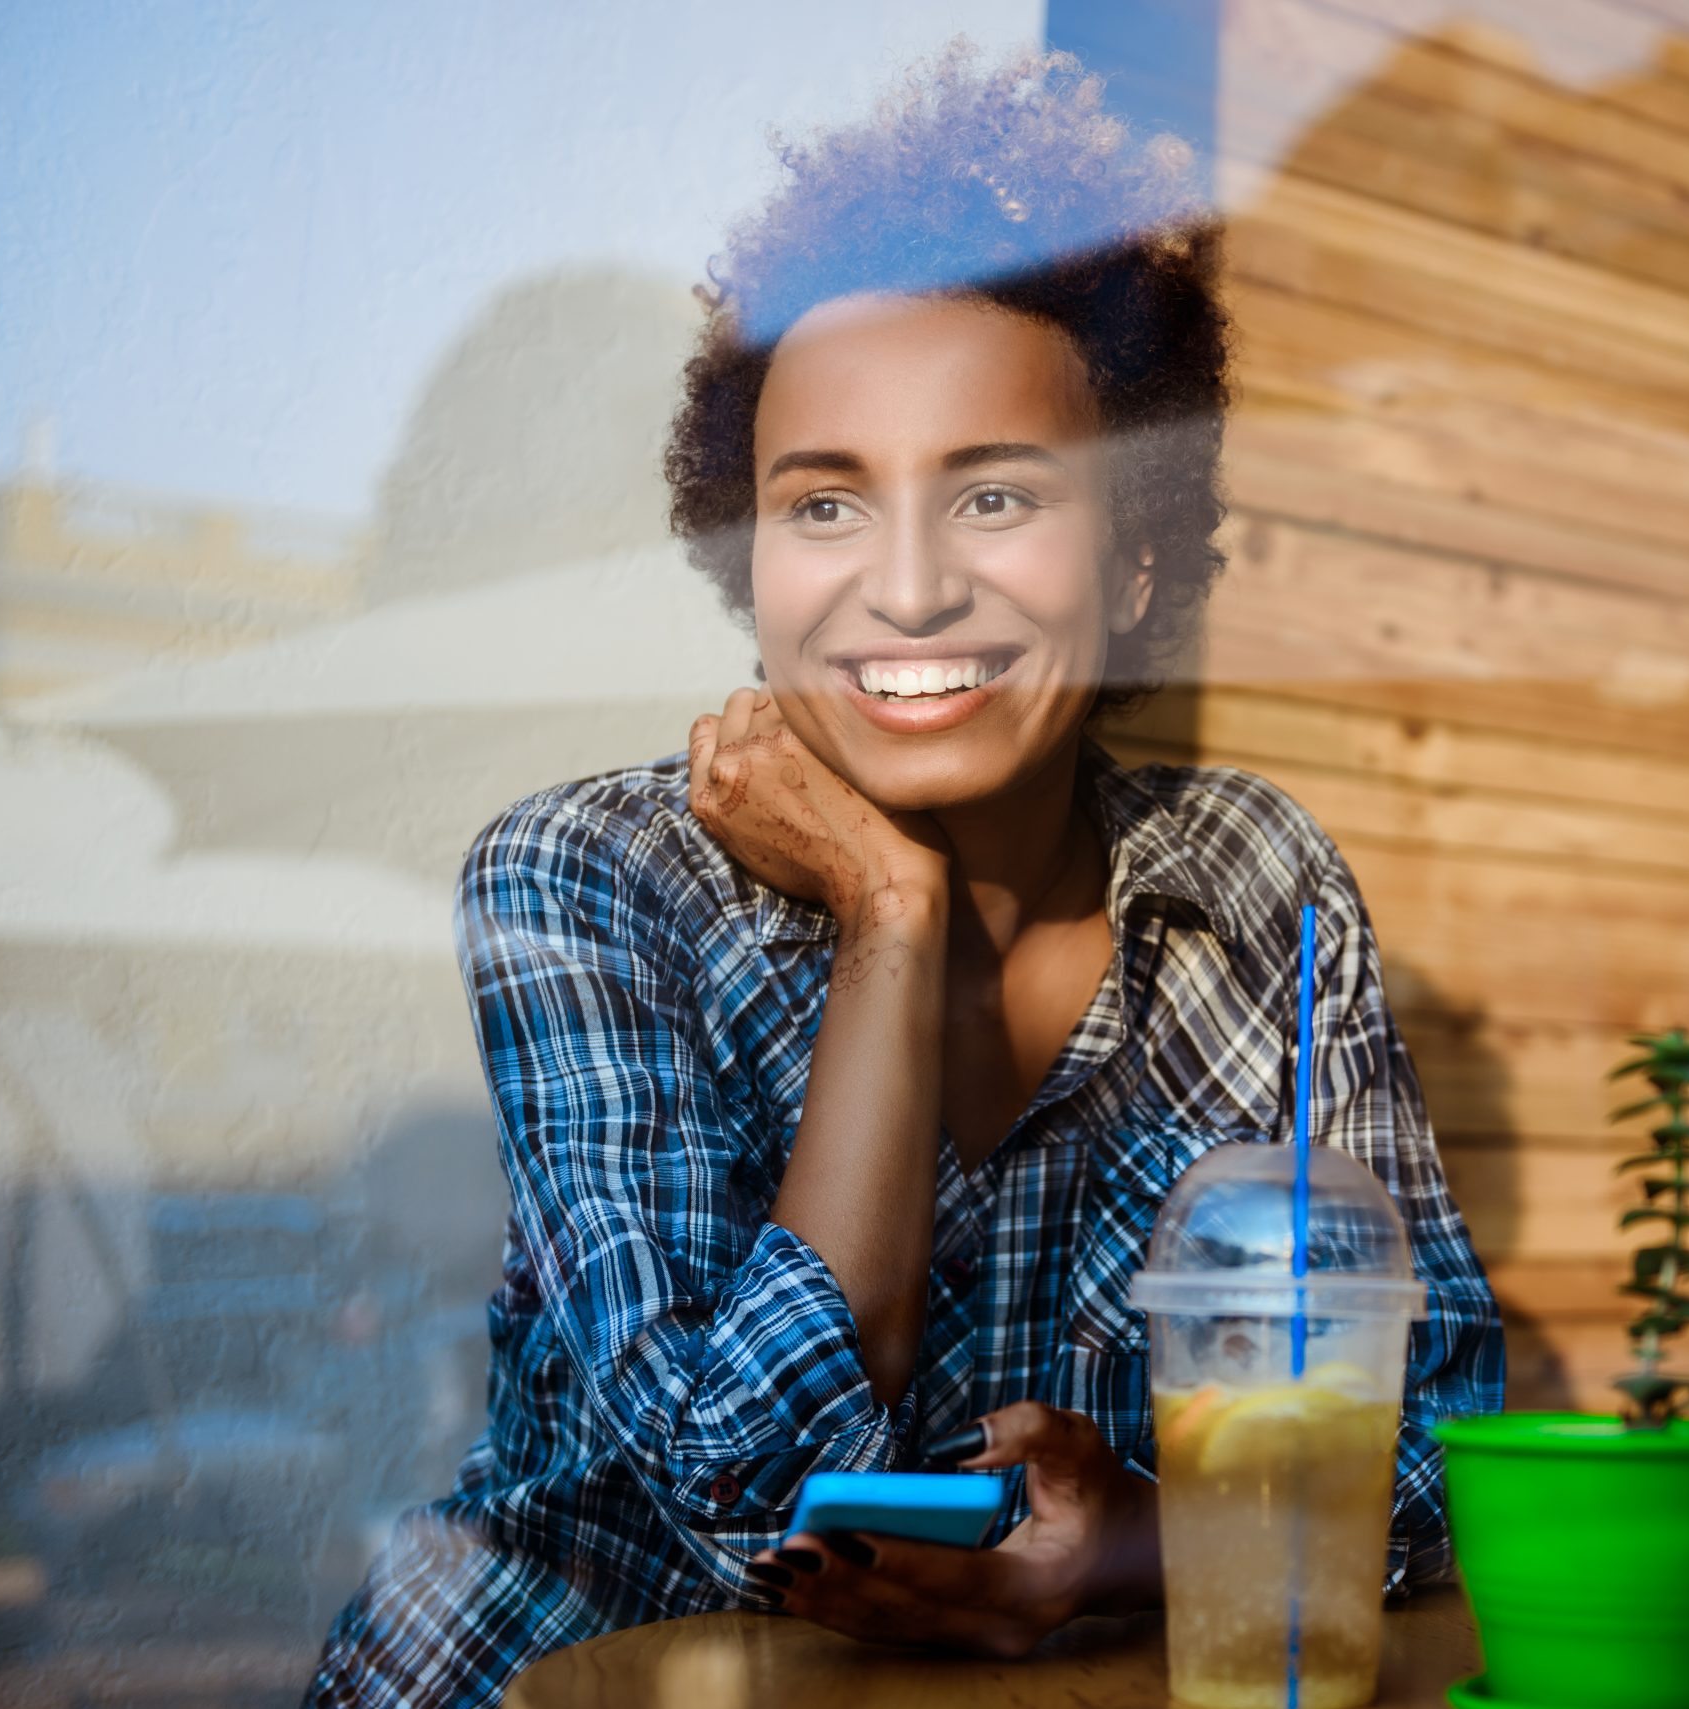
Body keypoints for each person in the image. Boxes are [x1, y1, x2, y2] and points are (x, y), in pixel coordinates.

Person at [305, 45, 1502, 1707]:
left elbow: (1444, 1438)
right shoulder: (585, 881)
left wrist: (1133, 1542)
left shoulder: (1257, 886)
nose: (912, 585)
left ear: (1139, 544)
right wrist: (890, 914)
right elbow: (751, 1486)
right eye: (824, 506)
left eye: (996, 493)